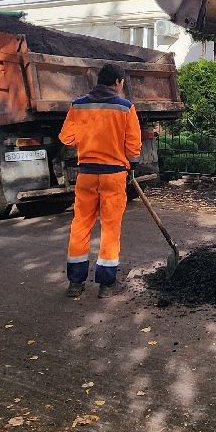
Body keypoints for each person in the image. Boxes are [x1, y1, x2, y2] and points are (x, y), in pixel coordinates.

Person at [59, 62, 143, 299]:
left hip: (86, 175)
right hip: (113, 176)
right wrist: (132, 164)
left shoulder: (78, 106)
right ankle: (107, 285)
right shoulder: (126, 108)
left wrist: (87, 142)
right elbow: (133, 146)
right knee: (110, 227)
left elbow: (66, 137)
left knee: (81, 225)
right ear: (118, 82)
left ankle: (75, 284)